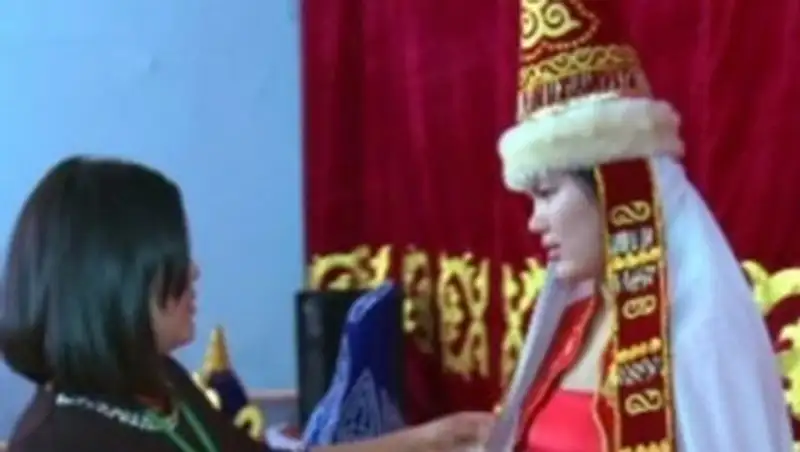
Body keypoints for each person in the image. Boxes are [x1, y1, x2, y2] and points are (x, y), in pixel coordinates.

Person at [0, 156, 493, 452]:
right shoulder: (55, 443)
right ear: (113, 282)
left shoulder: (156, 382)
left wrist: (432, 440)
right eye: (175, 259)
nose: (194, 272)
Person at [483, 1, 794, 451]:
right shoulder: (573, 323)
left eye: (548, 194)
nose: (534, 220)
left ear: (617, 190)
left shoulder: (699, 338)